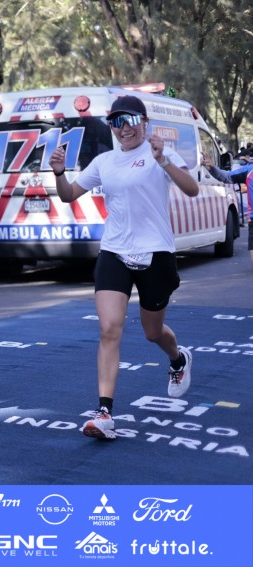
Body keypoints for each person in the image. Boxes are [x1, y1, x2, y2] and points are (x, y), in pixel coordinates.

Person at [49, 95, 200, 441]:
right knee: (109, 329)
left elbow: (191, 189)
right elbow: (69, 194)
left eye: (130, 120)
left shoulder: (159, 152)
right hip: (114, 251)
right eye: (116, 122)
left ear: (144, 123)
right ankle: (104, 413)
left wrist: (163, 161)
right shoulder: (104, 161)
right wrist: (59, 172)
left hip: (156, 253)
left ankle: (178, 359)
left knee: (152, 332)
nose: (123, 128)